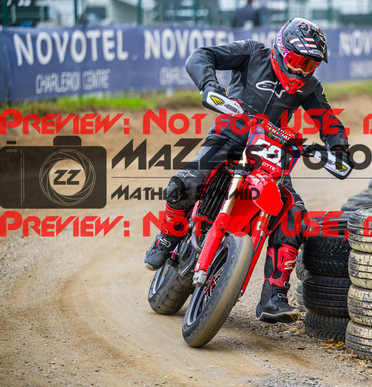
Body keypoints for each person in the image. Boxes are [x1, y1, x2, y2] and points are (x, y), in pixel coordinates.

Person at [143, 18, 352, 324]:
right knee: (184, 184)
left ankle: (273, 296)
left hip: (271, 154)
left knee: (294, 214)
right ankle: (167, 236)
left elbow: (328, 121)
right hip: (229, 138)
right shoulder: (254, 53)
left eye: (309, 65)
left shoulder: (309, 87)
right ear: (281, 50)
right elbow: (200, 56)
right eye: (296, 61)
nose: (300, 71)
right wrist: (211, 86)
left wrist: (339, 149)